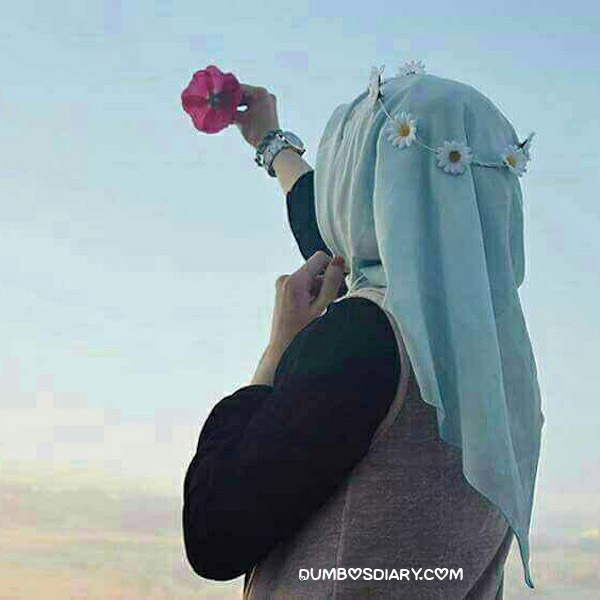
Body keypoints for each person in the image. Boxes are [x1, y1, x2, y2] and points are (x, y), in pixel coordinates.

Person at [182, 65, 544, 599]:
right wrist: (272, 143)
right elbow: (348, 247)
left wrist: (278, 351)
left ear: (356, 186)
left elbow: (214, 535)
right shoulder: (500, 362)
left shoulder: (366, 335)